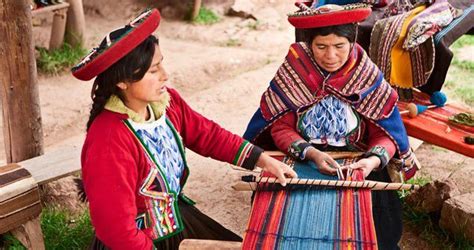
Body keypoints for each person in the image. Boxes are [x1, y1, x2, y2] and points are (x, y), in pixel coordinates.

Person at [71, 9, 297, 250]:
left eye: (161, 65)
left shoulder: (166, 104)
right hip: (137, 243)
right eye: (153, 71)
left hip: (175, 222)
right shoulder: (109, 139)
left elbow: (208, 135)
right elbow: (115, 229)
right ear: (122, 81)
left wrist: (263, 160)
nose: (165, 76)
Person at [243, 3, 419, 249]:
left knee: (380, 229)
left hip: (359, 159)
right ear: (309, 44)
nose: (331, 56)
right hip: (302, 156)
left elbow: (386, 134)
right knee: (277, 222)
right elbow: (279, 127)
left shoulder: (366, 76)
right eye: (321, 47)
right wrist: (311, 153)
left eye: (339, 46)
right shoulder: (295, 71)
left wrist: (373, 161)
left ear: (352, 42)